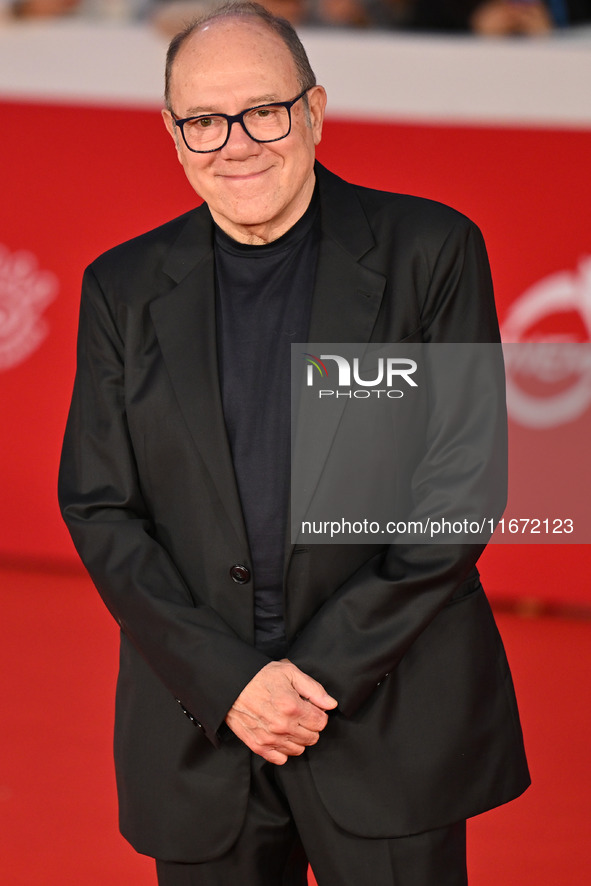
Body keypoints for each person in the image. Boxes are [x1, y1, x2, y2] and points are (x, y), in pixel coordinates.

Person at [58, 3, 530, 884]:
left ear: (313, 110)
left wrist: (307, 680)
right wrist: (232, 684)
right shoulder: (119, 288)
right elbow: (100, 507)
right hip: (200, 729)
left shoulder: (431, 250)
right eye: (204, 121)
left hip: (388, 720)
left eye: (262, 111)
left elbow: (460, 490)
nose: (235, 143)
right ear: (172, 135)